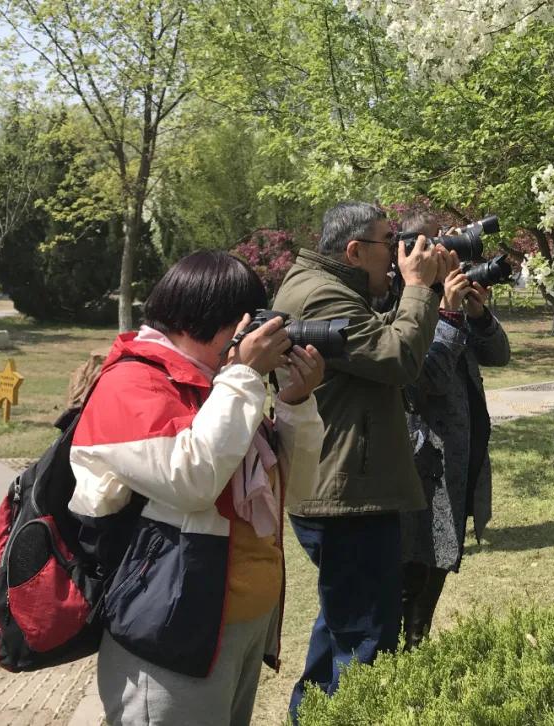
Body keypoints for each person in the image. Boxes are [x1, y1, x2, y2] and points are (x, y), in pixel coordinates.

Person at [68, 250, 326, 726]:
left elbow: (302, 488)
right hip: (171, 638)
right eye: (249, 321)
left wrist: (296, 402)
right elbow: (193, 481)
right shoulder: (130, 382)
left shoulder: (219, 385)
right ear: (214, 318)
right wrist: (243, 376)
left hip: (239, 625)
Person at [271, 201, 453, 720]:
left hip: (345, 487)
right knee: (365, 647)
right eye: (385, 244)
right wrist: (419, 289)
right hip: (349, 496)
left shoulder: (325, 285)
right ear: (353, 250)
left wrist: (424, 290)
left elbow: (383, 344)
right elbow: (400, 359)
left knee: (341, 631)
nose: (395, 258)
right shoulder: (322, 296)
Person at [396, 212, 511, 649]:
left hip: (459, 465)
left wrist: (477, 316)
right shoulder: (400, 307)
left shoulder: (448, 308)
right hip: (422, 468)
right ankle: (396, 666)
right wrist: (445, 313)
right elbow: (423, 384)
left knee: (438, 568)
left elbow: (499, 356)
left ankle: (416, 649)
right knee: (410, 574)